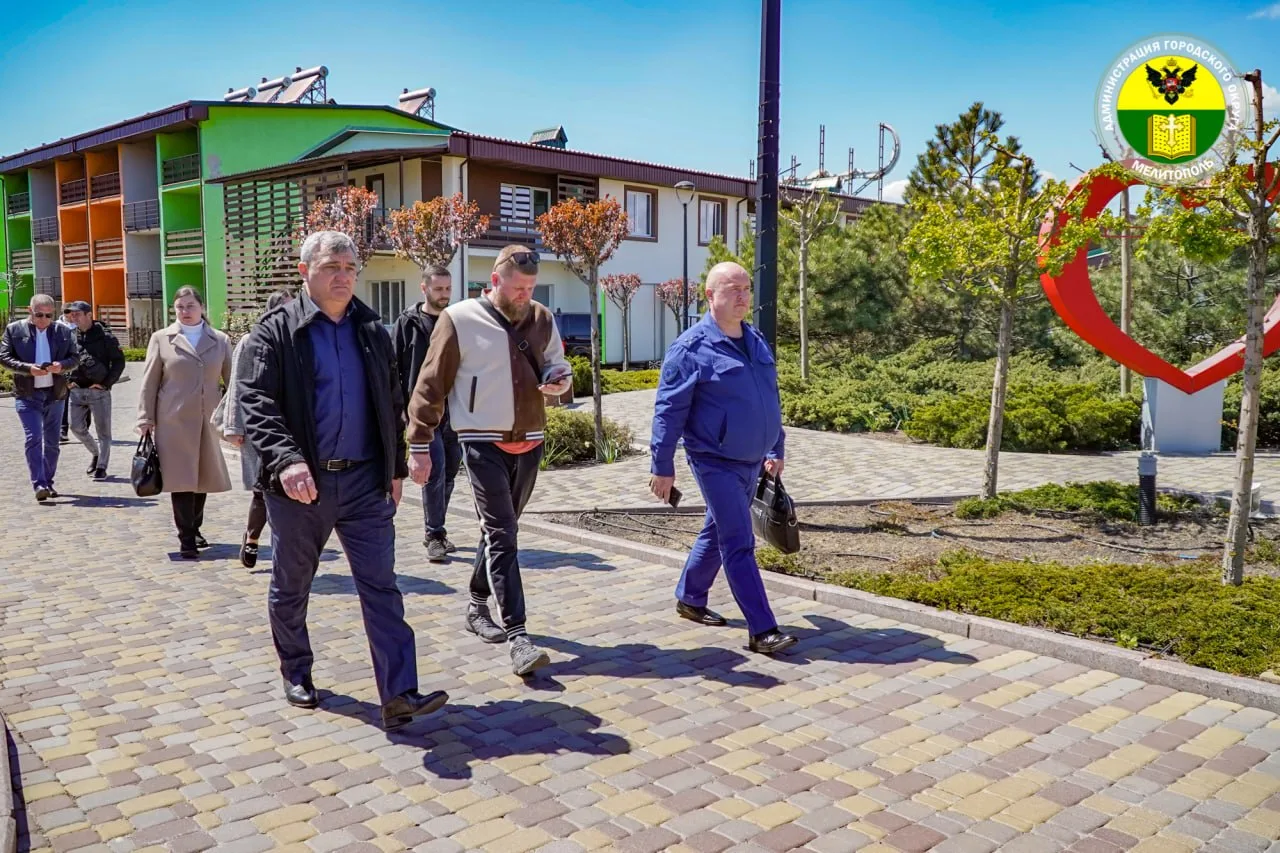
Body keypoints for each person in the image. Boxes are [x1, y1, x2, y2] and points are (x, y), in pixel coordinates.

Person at [239, 230, 446, 730]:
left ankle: (399, 692)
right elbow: (255, 402)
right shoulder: (275, 332)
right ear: (304, 272)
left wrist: (395, 467)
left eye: (350, 268)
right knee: (292, 585)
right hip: (299, 487)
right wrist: (286, 460)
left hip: (363, 484)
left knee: (382, 586)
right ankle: (296, 670)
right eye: (332, 267)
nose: (343, 276)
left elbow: (391, 402)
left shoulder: (371, 330)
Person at [407, 244, 573, 676]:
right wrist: (419, 444)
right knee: (502, 533)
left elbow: (557, 365)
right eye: (517, 287)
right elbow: (430, 386)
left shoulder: (542, 318)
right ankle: (519, 637)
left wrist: (559, 381)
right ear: (495, 280)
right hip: (481, 440)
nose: (524, 295)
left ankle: (477, 605)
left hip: (531, 440)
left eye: (531, 288)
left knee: (501, 530)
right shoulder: (459, 319)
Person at [648, 261, 797, 655]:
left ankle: (690, 597)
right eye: (733, 289)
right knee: (738, 540)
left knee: (717, 530)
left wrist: (775, 447)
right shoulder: (690, 349)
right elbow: (668, 411)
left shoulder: (756, 339)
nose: (742, 296)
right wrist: (662, 467)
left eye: (746, 289)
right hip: (713, 461)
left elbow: (769, 398)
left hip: (753, 460)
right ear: (710, 295)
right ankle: (762, 630)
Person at [136, 287, 234, 559]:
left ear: (202, 307)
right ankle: (186, 538)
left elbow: (233, 382)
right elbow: (149, 382)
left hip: (208, 419)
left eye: (190, 306)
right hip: (173, 421)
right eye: (180, 307)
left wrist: (236, 418)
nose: (185, 311)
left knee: (202, 477)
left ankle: (195, 527)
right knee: (181, 480)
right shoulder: (162, 338)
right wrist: (145, 418)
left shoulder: (220, 340)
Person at [216, 288, 296, 568]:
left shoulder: (300, 340)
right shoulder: (251, 340)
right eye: (284, 306)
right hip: (257, 427)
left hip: (291, 427)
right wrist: (233, 426)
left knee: (287, 490)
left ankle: (284, 550)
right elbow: (237, 383)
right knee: (263, 489)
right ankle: (252, 537)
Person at [393, 266, 463, 563]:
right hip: (422, 412)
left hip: (454, 412)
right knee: (434, 471)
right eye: (438, 289)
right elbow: (395, 368)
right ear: (424, 288)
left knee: (450, 471)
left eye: (448, 289)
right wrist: (401, 409)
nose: (444, 294)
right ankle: (434, 534)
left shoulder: (457, 321)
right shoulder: (407, 323)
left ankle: (437, 530)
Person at [0, 295, 79, 501]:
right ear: (30, 311)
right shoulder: (14, 330)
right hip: (27, 394)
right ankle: (39, 484)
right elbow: (4, 357)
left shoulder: (63, 331)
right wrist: (28, 369)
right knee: (33, 438)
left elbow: (75, 357)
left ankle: (48, 481)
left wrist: (61, 366)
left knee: (52, 443)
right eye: (39, 315)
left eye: (48, 315)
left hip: (55, 394)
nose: (44, 319)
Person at [64, 300, 125, 479]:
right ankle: (96, 453)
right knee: (76, 427)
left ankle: (102, 467)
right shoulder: (69, 336)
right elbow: (62, 359)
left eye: (77, 314)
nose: (73, 317)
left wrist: (106, 384)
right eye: (71, 314)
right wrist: (67, 381)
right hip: (76, 391)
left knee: (103, 432)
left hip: (99, 392)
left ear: (89, 315)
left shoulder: (106, 337)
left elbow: (119, 362)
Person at [57, 306, 78, 442]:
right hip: (62, 368)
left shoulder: (79, 326)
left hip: (78, 368)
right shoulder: (56, 327)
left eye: (72, 312)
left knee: (81, 400)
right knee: (63, 399)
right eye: (66, 312)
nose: (69, 315)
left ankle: (83, 427)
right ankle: (62, 429)